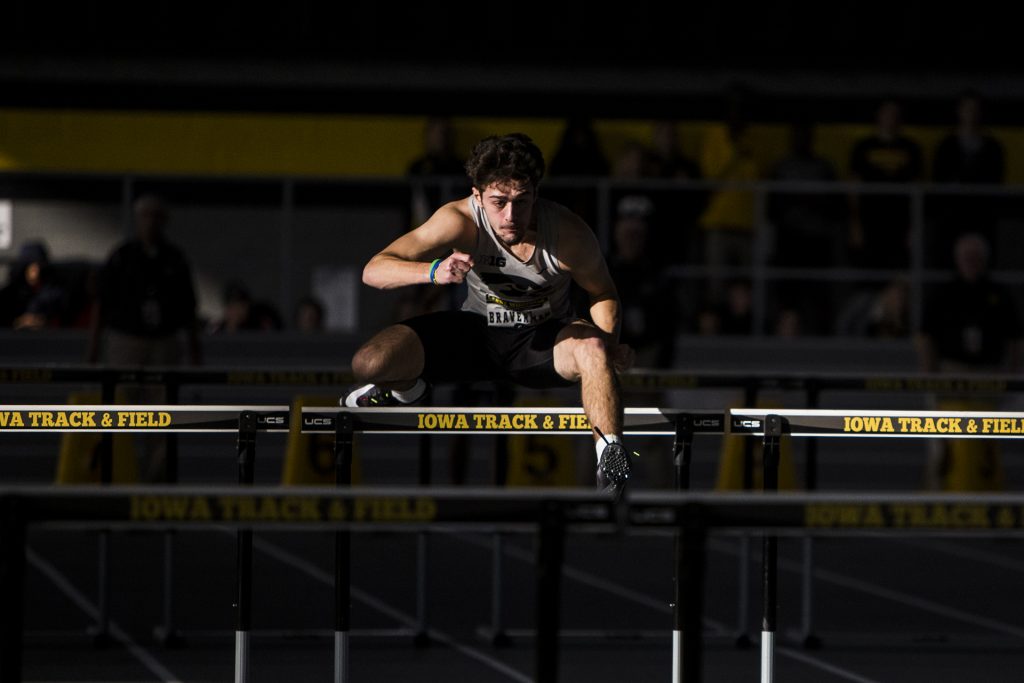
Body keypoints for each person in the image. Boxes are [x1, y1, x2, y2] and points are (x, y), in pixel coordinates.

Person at [341, 133, 636, 497]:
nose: (511, 216)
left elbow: (603, 292)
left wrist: (609, 343)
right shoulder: (458, 220)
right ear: (477, 196)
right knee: (369, 364)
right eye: (499, 202)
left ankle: (610, 461)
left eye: (521, 201)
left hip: (542, 339)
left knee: (593, 346)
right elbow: (374, 269)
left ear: (535, 195)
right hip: (476, 334)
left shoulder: (568, 234)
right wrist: (434, 271)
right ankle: (408, 389)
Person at [87, 194, 201, 481]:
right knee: (119, 412)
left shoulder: (175, 259)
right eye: (145, 215)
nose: (150, 221)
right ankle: (119, 479)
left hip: (164, 344)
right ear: (137, 219)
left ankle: (155, 484)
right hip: (126, 341)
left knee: (162, 418)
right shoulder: (122, 256)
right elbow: (101, 302)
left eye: (156, 215)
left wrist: (195, 353)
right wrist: (93, 348)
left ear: (164, 220)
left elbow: (188, 309)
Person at [917, 233, 1021, 491]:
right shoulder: (944, 293)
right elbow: (924, 335)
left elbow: (1016, 338)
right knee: (942, 437)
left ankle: (990, 494)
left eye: (976, 257)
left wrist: (1012, 372)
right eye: (966, 257)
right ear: (957, 260)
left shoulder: (998, 294)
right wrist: (930, 372)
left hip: (988, 374)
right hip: (951, 372)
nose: (971, 262)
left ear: (985, 260)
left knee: (988, 437)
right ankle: (937, 493)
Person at [930, 90, 1005, 268]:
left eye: (974, 109)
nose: (971, 114)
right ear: (959, 111)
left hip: (981, 217)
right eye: (967, 109)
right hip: (951, 217)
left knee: (981, 266)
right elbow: (938, 179)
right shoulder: (946, 145)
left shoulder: (992, 147)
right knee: (948, 265)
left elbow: (996, 180)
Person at [847, 99, 924, 268]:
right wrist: (855, 224)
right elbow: (854, 188)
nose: (891, 119)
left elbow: (917, 189)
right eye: (887, 114)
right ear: (878, 116)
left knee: (898, 269)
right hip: (871, 219)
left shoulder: (911, 148)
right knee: (869, 268)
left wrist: (915, 226)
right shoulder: (864, 146)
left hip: (900, 221)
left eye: (895, 115)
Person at [0, 240, 69, 329]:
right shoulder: (10, 294)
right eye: (32, 268)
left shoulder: (55, 292)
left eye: (39, 267)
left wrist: (42, 320)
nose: (36, 272)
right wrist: (18, 321)